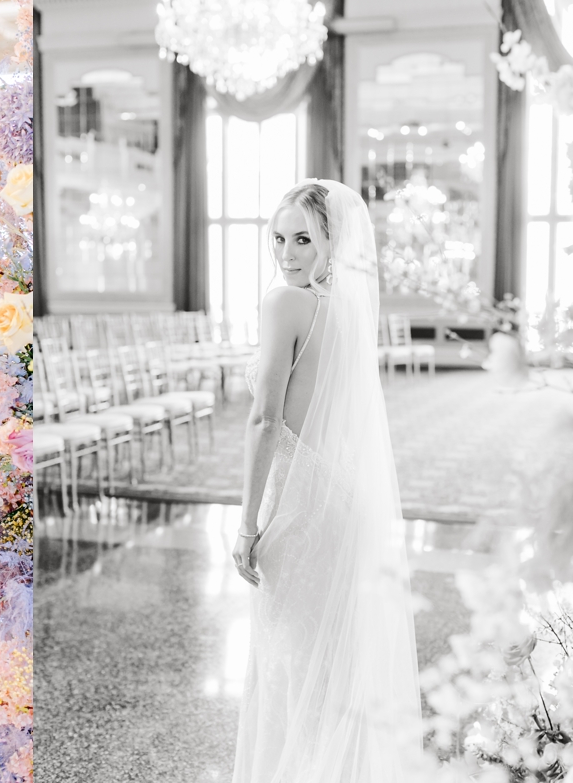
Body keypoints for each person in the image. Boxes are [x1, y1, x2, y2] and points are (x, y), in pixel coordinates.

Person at [232, 180, 423, 781]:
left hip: (299, 507)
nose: (287, 254)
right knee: (332, 667)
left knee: (289, 667)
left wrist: (246, 525)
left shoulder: (283, 304)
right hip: (344, 500)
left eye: (303, 240)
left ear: (331, 243)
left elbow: (265, 420)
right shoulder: (348, 310)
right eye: (278, 239)